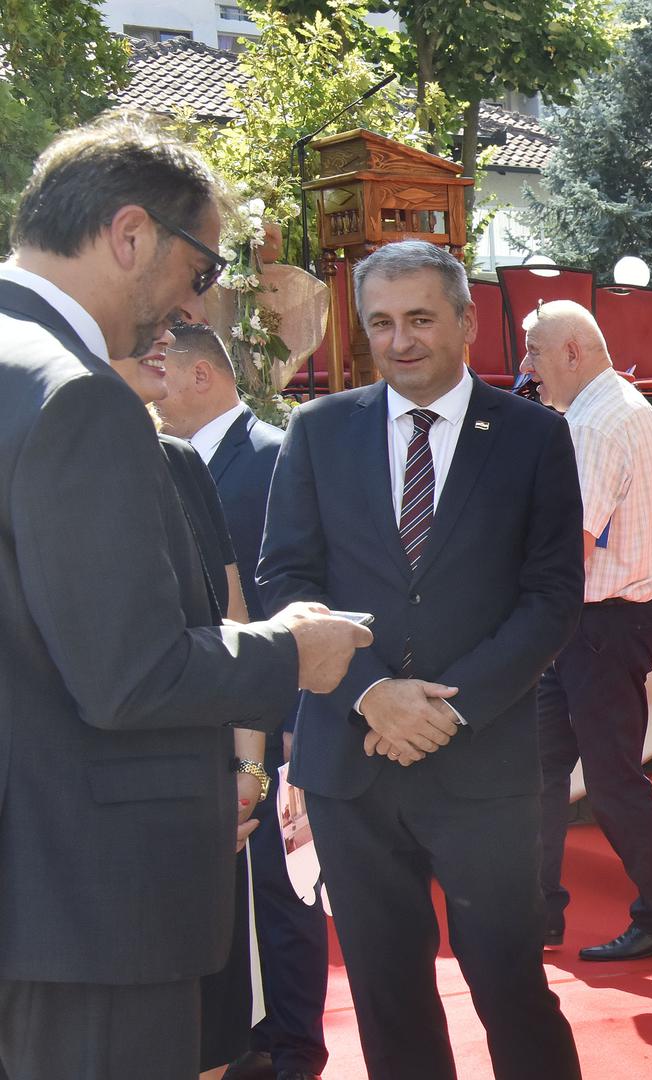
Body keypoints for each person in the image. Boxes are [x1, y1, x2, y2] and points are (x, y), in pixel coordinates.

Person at [0, 111, 367, 1080]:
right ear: (131, 235)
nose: (194, 305)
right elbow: (129, 672)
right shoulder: (78, 396)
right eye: (202, 270)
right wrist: (295, 650)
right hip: (89, 909)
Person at [258, 240, 585, 1080]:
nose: (399, 341)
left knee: (511, 988)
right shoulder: (318, 430)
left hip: (482, 764)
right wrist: (371, 694)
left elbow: (552, 598)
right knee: (388, 999)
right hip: (352, 764)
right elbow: (287, 581)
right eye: (380, 323)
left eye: (419, 319)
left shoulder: (535, 436)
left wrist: (446, 707)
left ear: (468, 322)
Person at [154, 322, 330, 1080]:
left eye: (161, 370)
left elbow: (295, 596)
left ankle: (294, 1050)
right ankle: (251, 1043)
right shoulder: (172, 462)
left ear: (201, 376)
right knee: (236, 906)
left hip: (275, 729)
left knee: (284, 900)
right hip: (217, 725)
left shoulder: (271, 457)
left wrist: (293, 730)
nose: (153, 392)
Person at [108, 326, 278, 1080]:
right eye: (133, 336)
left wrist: (249, 770)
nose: (156, 347)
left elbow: (234, 626)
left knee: (209, 1023)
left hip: (200, 790)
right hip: (90, 809)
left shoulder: (180, 465)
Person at [519, 299, 652, 962]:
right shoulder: (615, 404)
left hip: (599, 623)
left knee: (611, 781)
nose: (527, 368)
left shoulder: (594, 423)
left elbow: (570, 547)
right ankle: (537, 913)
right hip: (598, 621)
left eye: (535, 352)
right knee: (544, 771)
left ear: (572, 352)